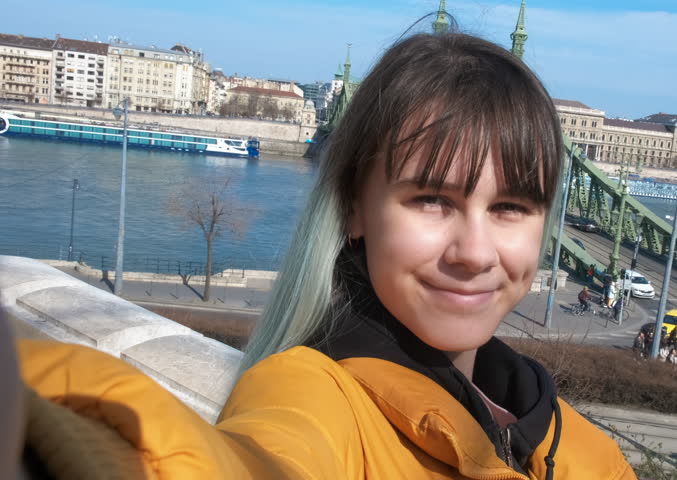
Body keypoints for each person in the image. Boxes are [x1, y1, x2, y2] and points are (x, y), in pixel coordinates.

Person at [15, 29, 635, 479]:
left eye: (511, 208)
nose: (475, 253)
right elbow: (261, 459)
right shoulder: (309, 392)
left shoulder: (577, 447)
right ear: (353, 209)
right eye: (430, 199)